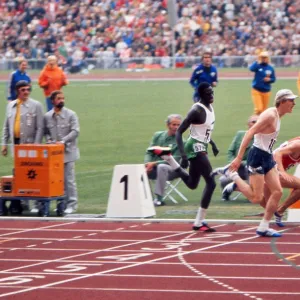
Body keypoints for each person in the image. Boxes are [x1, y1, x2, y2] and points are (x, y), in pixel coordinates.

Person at [212, 89, 298, 237]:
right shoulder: (270, 115)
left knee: (277, 191)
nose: (294, 103)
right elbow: (249, 133)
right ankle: (232, 175)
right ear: (282, 101)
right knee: (256, 198)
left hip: (267, 157)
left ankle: (263, 227)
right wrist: (238, 158)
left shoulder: (278, 115)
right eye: (291, 100)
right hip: (257, 156)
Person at [148, 82, 219, 232]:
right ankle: (199, 221)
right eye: (208, 93)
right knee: (211, 182)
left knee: (192, 184)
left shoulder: (210, 107)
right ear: (201, 94)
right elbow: (180, 132)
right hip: (194, 147)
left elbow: (203, 130)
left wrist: (212, 144)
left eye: (212, 92)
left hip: (202, 145)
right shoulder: (196, 110)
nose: (211, 95)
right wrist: (183, 155)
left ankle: (169, 159)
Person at [1, 80, 44, 214]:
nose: (26, 92)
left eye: (28, 89)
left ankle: (37, 203)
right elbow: (6, 126)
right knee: (19, 173)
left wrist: (36, 145)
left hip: (30, 145)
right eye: (23, 90)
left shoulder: (36, 105)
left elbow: (40, 127)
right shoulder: (11, 106)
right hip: (16, 144)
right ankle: (22, 202)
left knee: (34, 174)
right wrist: (4, 144)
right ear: (17, 91)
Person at [44, 90, 80, 214]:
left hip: (68, 152)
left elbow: (75, 131)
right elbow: (46, 131)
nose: (61, 100)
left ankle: (72, 204)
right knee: (57, 180)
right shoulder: (48, 116)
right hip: (55, 154)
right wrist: (49, 140)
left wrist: (63, 141)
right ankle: (61, 203)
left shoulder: (71, 114)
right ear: (53, 101)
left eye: (63, 98)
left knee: (69, 179)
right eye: (58, 98)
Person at [144, 114, 183, 207]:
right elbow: (149, 152)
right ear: (168, 125)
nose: (176, 127)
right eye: (174, 124)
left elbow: (174, 160)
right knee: (138, 170)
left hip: (173, 170)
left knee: (162, 167)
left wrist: (154, 163)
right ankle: (141, 198)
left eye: (178, 125)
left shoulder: (181, 141)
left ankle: (159, 199)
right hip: (153, 168)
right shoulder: (158, 136)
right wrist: (147, 164)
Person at [218, 115, 259, 201]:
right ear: (248, 124)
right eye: (253, 122)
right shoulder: (240, 134)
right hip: (236, 166)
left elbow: (256, 158)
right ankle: (228, 192)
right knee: (223, 180)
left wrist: (241, 163)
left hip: (252, 169)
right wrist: (232, 163)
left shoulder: (260, 139)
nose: (255, 124)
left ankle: (249, 193)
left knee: (249, 169)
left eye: (257, 122)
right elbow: (230, 151)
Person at [268, 137, 300, 226]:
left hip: (271, 170)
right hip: (269, 169)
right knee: (258, 198)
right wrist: (282, 171)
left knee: (257, 197)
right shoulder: (297, 145)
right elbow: (278, 153)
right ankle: (279, 210)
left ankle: (236, 185)